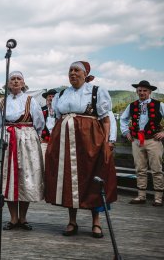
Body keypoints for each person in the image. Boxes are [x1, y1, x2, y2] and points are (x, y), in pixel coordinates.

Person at [44, 61, 117, 238]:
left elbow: (105, 120)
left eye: (76, 70)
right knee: (69, 179)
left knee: (94, 177)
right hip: (65, 142)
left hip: (90, 140)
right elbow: (56, 119)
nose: (73, 73)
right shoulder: (62, 94)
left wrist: (107, 143)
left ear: (85, 74)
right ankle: (72, 221)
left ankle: (96, 222)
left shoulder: (96, 91)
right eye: (70, 70)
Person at [0, 71, 45, 230]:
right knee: (7, 177)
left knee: (25, 176)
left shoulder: (30, 100)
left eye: (18, 79)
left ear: (23, 82)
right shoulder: (2, 102)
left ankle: (23, 218)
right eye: (12, 79)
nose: (15, 81)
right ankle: (13, 218)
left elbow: (39, 122)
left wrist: (32, 136)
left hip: (26, 139)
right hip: (6, 138)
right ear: (8, 83)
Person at [120, 80, 164, 206]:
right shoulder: (132, 105)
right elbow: (123, 119)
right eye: (139, 90)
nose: (142, 93)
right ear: (136, 91)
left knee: (156, 169)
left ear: (150, 92)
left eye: (145, 90)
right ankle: (141, 196)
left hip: (153, 140)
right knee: (140, 169)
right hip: (136, 141)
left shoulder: (158, 105)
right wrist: (125, 132)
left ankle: (158, 198)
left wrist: (163, 133)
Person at [41, 88, 57, 163]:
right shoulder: (41, 110)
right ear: (46, 98)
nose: (51, 98)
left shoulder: (60, 110)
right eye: (49, 96)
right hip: (44, 140)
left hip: (57, 140)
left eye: (53, 96)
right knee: (43, 160)